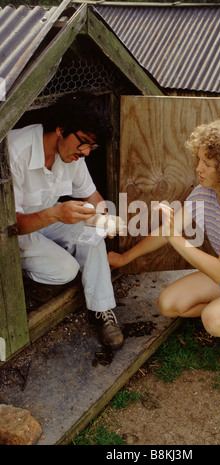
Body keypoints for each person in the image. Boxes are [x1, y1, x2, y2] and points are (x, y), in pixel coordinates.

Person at [108, 119, 220, 384]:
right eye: (199, 160)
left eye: (207, 163)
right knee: (169, 304)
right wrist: (125, 258)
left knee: (213, 320)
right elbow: (166, 232)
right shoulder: (204, 192)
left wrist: (176, 239)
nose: (198, 168)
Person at [8, 91, 124, 350]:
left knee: (92, 236)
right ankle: (24, 278)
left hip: (49, 216)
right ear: (61, 129)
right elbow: (11, 225)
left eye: (91, 147)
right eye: (83, 143)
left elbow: (91, 194)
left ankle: (102, 310)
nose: (85, 152)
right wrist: (57, 214)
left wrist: (104, 217)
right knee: (65, 270)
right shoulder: (15, 151)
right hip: (13, 232)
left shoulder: (73, 154)